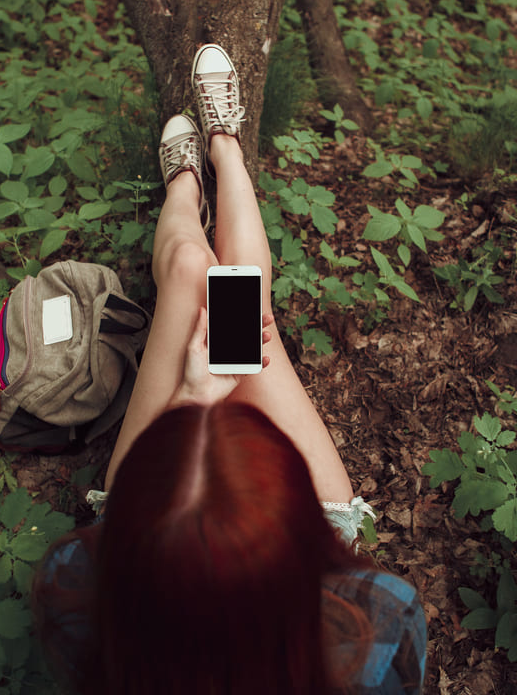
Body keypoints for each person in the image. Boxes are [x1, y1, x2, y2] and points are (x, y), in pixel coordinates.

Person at [32, 44, 426, 694]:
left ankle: (185, 185)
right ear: (300, 524)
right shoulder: (372, 634)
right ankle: (225, 145)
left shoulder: (74, 597)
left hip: (178, 542)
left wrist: (191, 394)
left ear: (131, 539)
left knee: (191, 271)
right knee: (240, 298)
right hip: (284, 568)